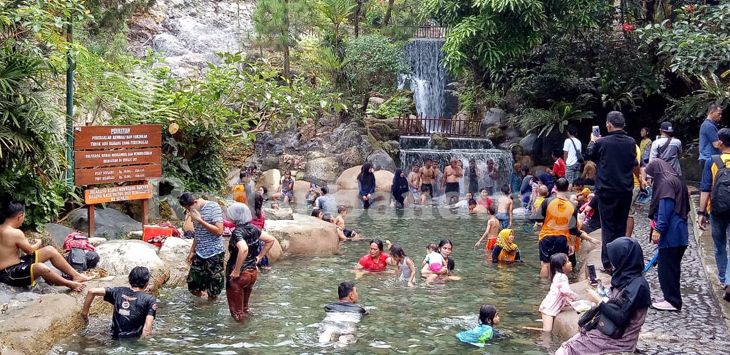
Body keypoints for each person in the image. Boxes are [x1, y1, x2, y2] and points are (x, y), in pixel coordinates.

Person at [556, 237, 651, 355]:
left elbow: (621, 318)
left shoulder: (638, 287)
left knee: (562, 352)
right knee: (566, 345)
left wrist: (599, 301)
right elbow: (616, 301)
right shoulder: (626, 276)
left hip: (618, 339)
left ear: (622, 258)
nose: (612, 263)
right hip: (608, 329)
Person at [586, 111, 641, 274]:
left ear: (609, 125)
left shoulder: (602, 143)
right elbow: (634, 163)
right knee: (620, 226)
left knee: (608, 227)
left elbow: (590, 155)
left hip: (606, 191)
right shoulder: (631, 142)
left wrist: (592, 141)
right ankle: (621, 259)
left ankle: (608, 263)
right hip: (625, 190)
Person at [0, 201, 91, 290]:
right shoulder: (15, 233)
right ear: (20, 217)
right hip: (8, 274)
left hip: (17, 264)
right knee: (41, 267)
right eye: (24, 217)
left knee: (50, 250)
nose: (23, 220)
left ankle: (76, 275)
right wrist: (38, 243)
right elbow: (30, 250)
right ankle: (69, 284)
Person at [645, 159, 689, 311]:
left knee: (666, 268)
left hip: (672, 234)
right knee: (672, 267)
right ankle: (670, 297)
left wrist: (658, 229)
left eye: (650, 178)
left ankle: (672, 301)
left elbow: (665, 209)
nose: (650, 182)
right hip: (680, 233)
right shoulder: (675, 178)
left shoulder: (665, 184)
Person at [535, 178, 594, 278]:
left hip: (546, 236)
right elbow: (573, 229)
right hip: (563, 238)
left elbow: (538, 219)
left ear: (556, 187)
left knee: (545, 265)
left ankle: (543, 287)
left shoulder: (547, 201)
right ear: (567, 188)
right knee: (561, 265)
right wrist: (571, 244)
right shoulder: (572, 206)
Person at [225, 203, 275, 320]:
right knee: (245, 309)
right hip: (252, 273)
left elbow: (243, 249)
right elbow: (271, 240)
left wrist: (237, 270)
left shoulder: (237, 232)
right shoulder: (254, 228)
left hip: (239, 276)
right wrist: (259, 257)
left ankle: (240, 336)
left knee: (237, 314)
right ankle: (250, 334)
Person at [81, 266, 156, 339]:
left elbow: (92, 291)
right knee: (155, 330)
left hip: (114, 337)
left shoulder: (118, 291)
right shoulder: (149, 299)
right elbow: (147, 330)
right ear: (146, 284)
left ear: (129, 280)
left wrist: (84, 313)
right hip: (134, 340)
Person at [698, 128, 730, 300]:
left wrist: (701, 213)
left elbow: (705, 189)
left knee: (720, 246)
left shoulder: (713, 161)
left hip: (716, 210)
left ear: (721, 143)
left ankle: (724, 279)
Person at [179, 192, 225, 300]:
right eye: (187, 210)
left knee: (214, 289)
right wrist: (192, 251)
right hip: (200, 252)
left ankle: (210, 310)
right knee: (192, 286)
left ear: (195, 202)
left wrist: (200, 220)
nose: (189, 212)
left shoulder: (213, 207)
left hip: (215, 253)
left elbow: (219, 231)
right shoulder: (192, 211)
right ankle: (203, 301)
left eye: (189, 208)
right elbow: (198, 232)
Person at [539, 253, 578, 332]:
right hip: (548, 310)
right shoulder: (562, 277)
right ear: (562, 266)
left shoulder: (558, 275)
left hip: (548, 306)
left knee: (548, 329)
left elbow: (560, 293)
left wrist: (567, 302)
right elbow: (565, 291)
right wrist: (575, 297)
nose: (570, 263)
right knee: (547, 331)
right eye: (567, 262)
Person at [699, 103, 723, 173]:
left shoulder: (707, 125)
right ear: (711, 112)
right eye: (719, 114)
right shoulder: (709, 126)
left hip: (708, 158)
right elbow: (716, 145)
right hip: (710, 158)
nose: (720, 116)